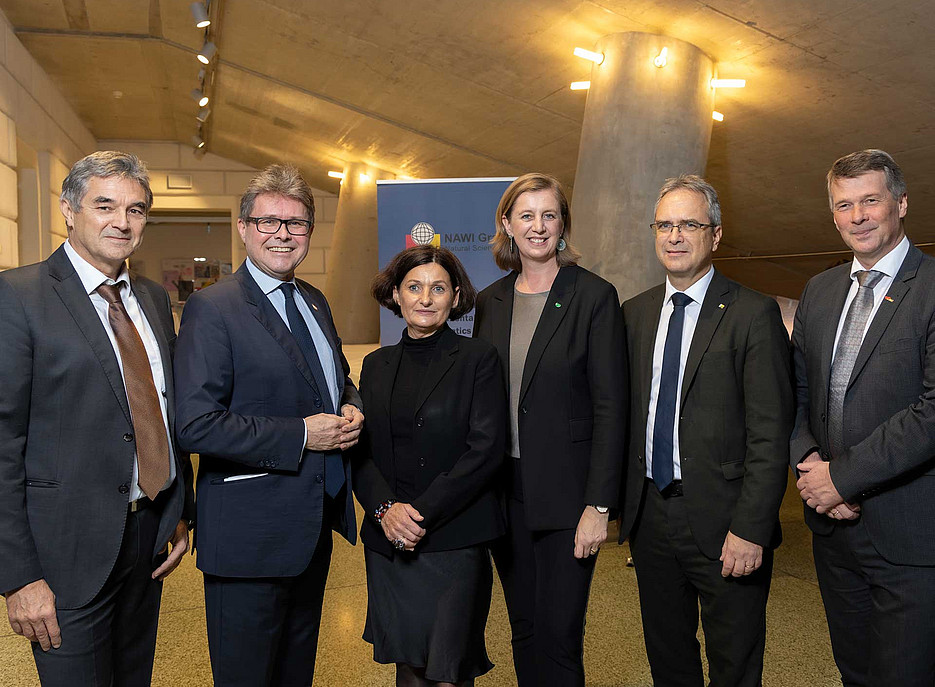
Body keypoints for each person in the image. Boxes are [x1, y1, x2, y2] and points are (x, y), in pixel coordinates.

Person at [0, 151, 194, 686]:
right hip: (63, 557)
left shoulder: (153, 298)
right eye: (104, 205)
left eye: (136, 209)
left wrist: (180, 508)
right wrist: (18, 577)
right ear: (68, 209)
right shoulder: (18, 297)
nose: (122, 221)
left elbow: (164, 408)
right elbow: (2, 442)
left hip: (146, 539)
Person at [173, 164, 364, 687]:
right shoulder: (213, 308)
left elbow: (336, 379)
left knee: (294, 675)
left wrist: (351, 404)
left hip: (310, 530)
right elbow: (195, 425)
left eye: (297, 223)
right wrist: (303, 435)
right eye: (268, 221)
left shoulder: (314, 300)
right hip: (248, 539)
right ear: (243, 227)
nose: (283, 233)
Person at [619, 174, 793, 686]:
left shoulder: (753, 313)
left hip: (727, 524)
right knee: (667, 656)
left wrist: (751, 528)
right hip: (651, 518)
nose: (675, 236)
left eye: (689, 224)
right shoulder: (635, 313)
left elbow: (770, 432)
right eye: (665, 225)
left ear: (714, 235)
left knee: (734, 662)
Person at [472, 172, 625, 686]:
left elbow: (611, 407)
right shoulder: (489, 302)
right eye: (527, 215)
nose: (538, 226)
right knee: (523, 629)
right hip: (504, 495)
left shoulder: (594, 296)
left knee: (560, 638)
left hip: (569, 499)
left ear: (563, 225)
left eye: (549, 214)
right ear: (507, 224)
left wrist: (599, 505)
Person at [792, 149, 935, 686]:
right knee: (854, 672)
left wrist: (843, 477)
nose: (858, 217)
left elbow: (932, 410)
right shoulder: (821, 290)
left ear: (901, 203)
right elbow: (796, 393)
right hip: (834, 534)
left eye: (870, 201)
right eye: (844, 205)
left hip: (911, 536)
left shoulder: (933, 287)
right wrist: (809, 465)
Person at [352, 245, 506, 687]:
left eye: (438, 288)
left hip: (454, 541)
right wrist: (386, 511)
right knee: (409, 667)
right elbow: (361, 452)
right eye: (414, 287)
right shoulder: (376, 365)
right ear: (395, 296)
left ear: (455, 297)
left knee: (448, 671)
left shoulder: (479, 359)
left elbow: (485, 449)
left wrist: (416, 515)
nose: (425, 298)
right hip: (391, 543)